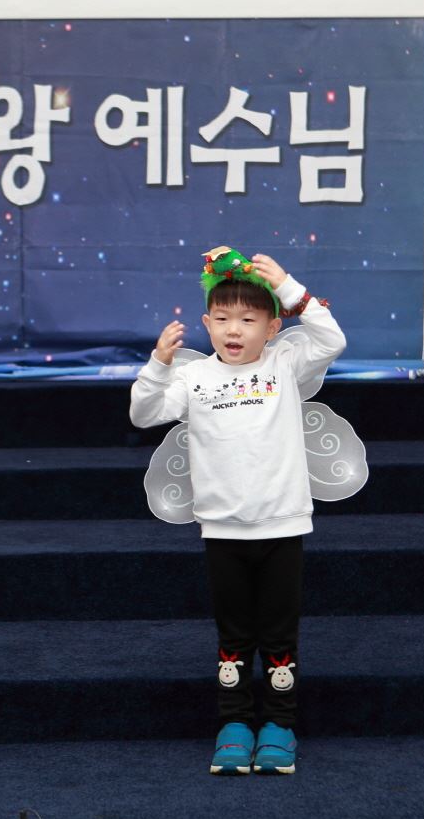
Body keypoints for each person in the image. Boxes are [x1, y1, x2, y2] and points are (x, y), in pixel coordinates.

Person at [130, 247, 346, 775]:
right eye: (223, 319)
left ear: (272, 328)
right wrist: (159, 366)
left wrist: (291, 289)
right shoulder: (195, 378)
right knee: (233, 636)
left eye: (249, 320)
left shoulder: (285, 364)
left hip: (282, 525)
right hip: (223, 530)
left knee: (279, 635)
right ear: (207, 324)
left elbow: (331, 340)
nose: (234, 330)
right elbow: (143, 413)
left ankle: (279, 725)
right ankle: (234, 723)